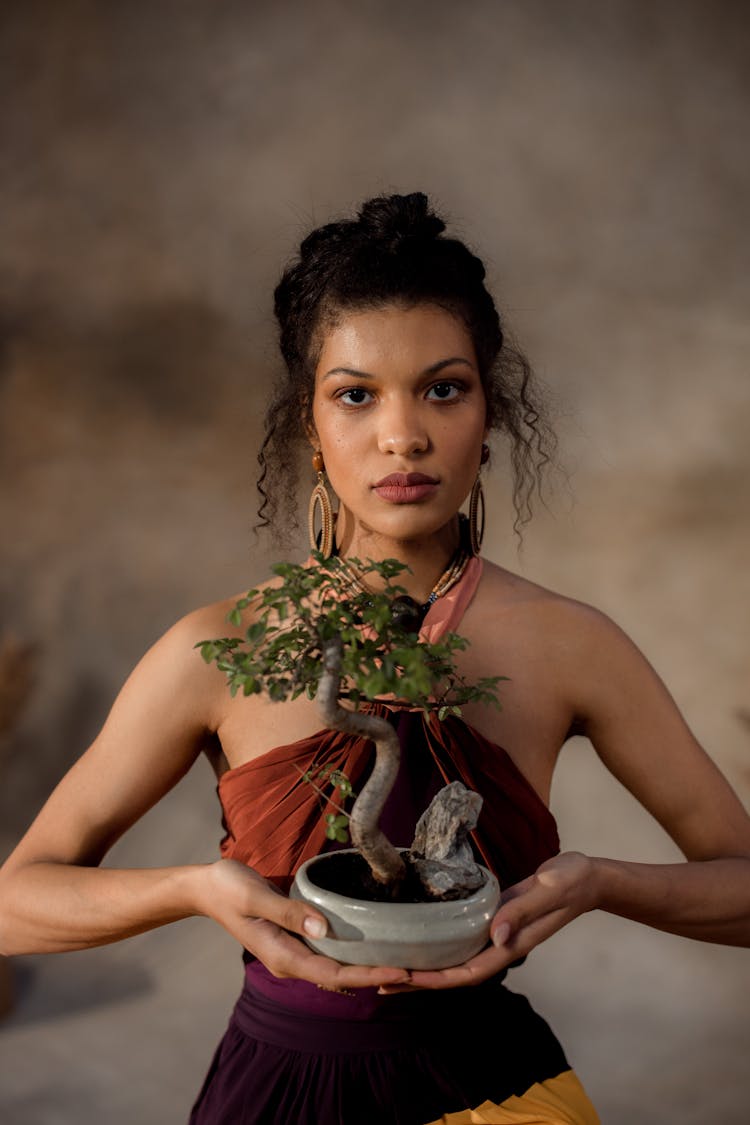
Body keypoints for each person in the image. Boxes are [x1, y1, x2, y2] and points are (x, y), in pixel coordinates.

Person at [1, 192, 749, 1125]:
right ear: (309, 429)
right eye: (356, 394)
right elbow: (15, 902)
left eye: (444, 387)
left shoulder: (572, 643)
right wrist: (196, 889)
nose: (404, 435)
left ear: (491, 411)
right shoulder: (222, 646)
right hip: (278, 1094)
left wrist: (600, 881)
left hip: (500, 1094)